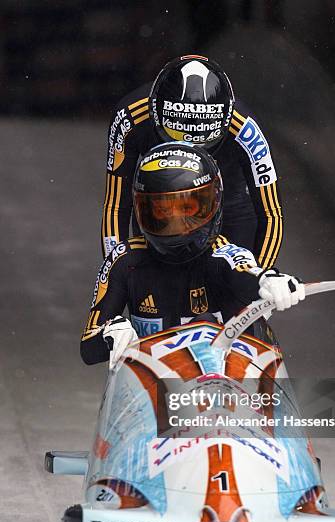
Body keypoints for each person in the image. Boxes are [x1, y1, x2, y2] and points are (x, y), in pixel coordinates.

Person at [81, 143, 303, 367]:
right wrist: (111, 334)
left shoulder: (221, 255)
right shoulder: (126, 261)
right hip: (157, 391)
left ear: (213, 203)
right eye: (163, 211)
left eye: (187, 209)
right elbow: (89, 349)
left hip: (231, 386)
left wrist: (267, 280)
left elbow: (244, 271)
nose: (175, 223)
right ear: (143, 209)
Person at [101, 54, 283, 270]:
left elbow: (271, 212)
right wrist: (117, 271)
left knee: (234, 287)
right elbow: (116, 205)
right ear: (156, 115)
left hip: (229, 207)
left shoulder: (245, 129)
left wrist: (261, 277)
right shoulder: (130, 119)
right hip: (160, 206)